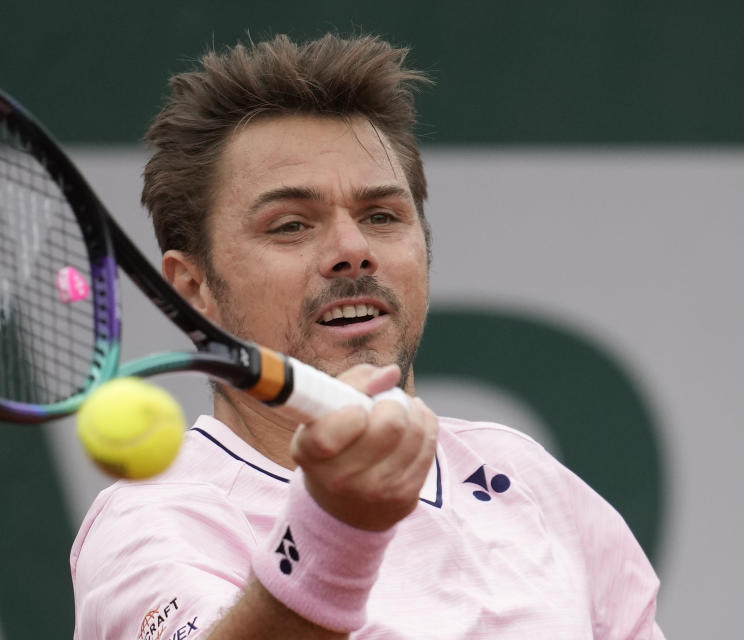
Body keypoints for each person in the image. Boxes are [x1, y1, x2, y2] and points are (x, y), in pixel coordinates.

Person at [70, 33, 664, 639]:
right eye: (291, 225)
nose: (352, 251)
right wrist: (335, 528)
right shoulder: (153, 524)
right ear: (193, 288)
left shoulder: (530, 481)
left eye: (381, 216)